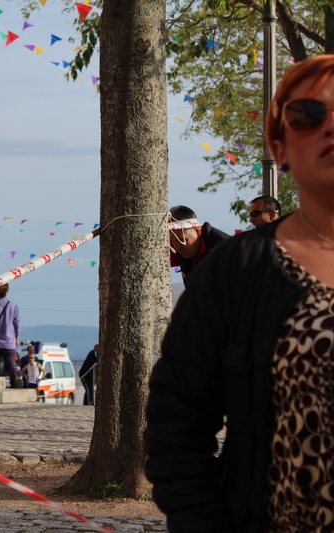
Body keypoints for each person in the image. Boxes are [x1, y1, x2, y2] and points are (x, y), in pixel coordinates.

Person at [145, 55, 334, 532]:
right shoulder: (237, 269)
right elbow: (177, 424)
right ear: (279, 146)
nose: (331, 126)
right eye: (308, 115)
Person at [168, 204, 230, 284]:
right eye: (172, 241)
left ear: (197, 231)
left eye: (182, 240)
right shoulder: (178, 247)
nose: (177, 247)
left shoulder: (225, 248)